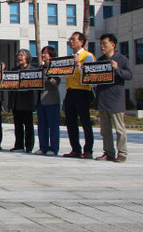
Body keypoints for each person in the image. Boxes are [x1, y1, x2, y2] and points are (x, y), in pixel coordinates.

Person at [95, 33, 133, 162]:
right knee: (105, 130)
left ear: (113, 45)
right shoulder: (100, 60)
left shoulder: (122, 59)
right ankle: (108, 152)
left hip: (116, 99)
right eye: (100, 44)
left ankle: (122, 153)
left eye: (104, 44)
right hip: (103, 98)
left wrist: (117, 69)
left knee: (119, 129)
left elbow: (129, 75)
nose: (102, 47)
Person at [63, 31, 96, 159]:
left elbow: (90, 76)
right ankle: (75, 149)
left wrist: (78, 65)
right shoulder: (69, 57)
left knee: (85, 121)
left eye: (73, 39)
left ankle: (88, 150)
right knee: (71, 122)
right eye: (70, 39)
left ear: (81, 42)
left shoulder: (88, 56)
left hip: (83, 92)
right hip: (70, 91)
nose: (71, 41)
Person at [8, 49, 36, 153]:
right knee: (17, 125)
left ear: (27, 58)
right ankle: (18, 145)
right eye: (18, 55)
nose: (19, 57)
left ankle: (29, 146)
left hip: (27, 101)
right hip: (16, 101)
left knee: (28, 125)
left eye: (22, 55)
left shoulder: (33, 70)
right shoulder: (14, 70)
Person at [36, 46, 61, 156]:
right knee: (42, 125)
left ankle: (54, 148)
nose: (43, 56)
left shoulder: (56, 68)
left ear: (51, 56)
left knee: (53, 126)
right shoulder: (40, 68)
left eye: (45, 53)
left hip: (52, 100)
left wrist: (47, 77)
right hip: (40, 101)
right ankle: (43, 147)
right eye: (42, 53)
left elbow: (55, 83)